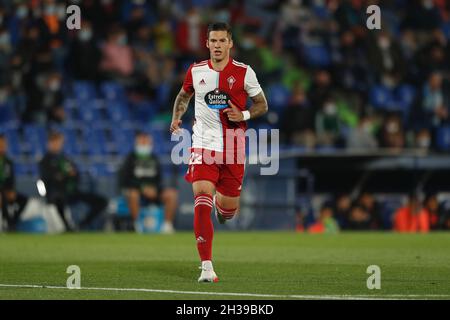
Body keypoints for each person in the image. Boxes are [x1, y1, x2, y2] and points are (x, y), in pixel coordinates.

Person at [170, 22, 268, 282]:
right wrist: (176, 117)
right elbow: (183, 96)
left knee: (227, 213)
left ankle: (220, 206)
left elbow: (262, 104)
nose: (216, 45)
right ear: (207, 44)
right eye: (212, 41)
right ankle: (206, 266)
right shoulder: (196, 70)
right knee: (201, 195)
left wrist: (244, 114)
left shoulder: (245, 73)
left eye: (221, 41)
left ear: (230, 43)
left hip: (234, 146)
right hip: (203, 143)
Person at [39, 132, 107, 231]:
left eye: (60, 142)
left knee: (101, 201)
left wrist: (70, 175)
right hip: (55, 193)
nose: (58, 145)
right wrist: (64, 175)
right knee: (59, 199)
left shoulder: (65, 158)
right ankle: (67, 226)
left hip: (72, 192)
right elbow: (48, 178)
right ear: (50, 143)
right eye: (56, 142)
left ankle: (82, 225)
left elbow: (76, 174)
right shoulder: (45, 160)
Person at [118, 131, 178, 234]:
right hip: (137, 190)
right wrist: (142, 188)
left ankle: (167, 226)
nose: (145, 144)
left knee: (172, 194)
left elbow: (159, 179)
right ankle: (137, 225)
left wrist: (155, 189)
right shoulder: (130, 158)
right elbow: (124, 180)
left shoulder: (154, 158)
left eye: (147, 142)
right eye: (142, 142)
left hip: (153, 190)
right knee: (133, 194)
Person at [0, 134, 27, 231]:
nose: (3, 146)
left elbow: (11, 179)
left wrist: (12, 190)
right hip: (1, 193)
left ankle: (12, 221)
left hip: (6, 191)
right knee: (2, 196)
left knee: (23, 199)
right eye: (1, 143)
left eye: (4, 144)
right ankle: (8, 223)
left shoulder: (8, 161)